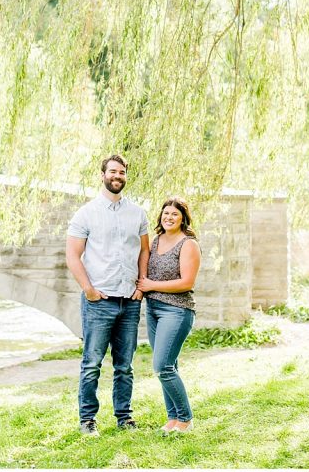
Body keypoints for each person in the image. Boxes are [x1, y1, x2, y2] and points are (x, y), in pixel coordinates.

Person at [66, 154, 150, 435]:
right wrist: (88, 290)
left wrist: (140, 287)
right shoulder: (86, 213)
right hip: (99, 301)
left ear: (126, 176)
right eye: (113, 171)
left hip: (129, 300)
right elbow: (73, 256)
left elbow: (144, 251)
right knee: (92, 364)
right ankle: (87, 420)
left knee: (125, 366)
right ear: (102, 175)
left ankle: (124, 417)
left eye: (122, 172)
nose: (117, 176)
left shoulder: (138, 213)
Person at [136, 196, 202, 434]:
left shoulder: (188, 244)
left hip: (177, 310)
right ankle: (173, 418)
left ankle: (185, 418)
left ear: (183, 218)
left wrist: (151, 285)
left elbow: (186, 282)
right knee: (169, 365)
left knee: (162, 366)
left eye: (174, 214)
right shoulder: (156, 241)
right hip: (154, 310)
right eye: (166, 214)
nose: (169, 218)